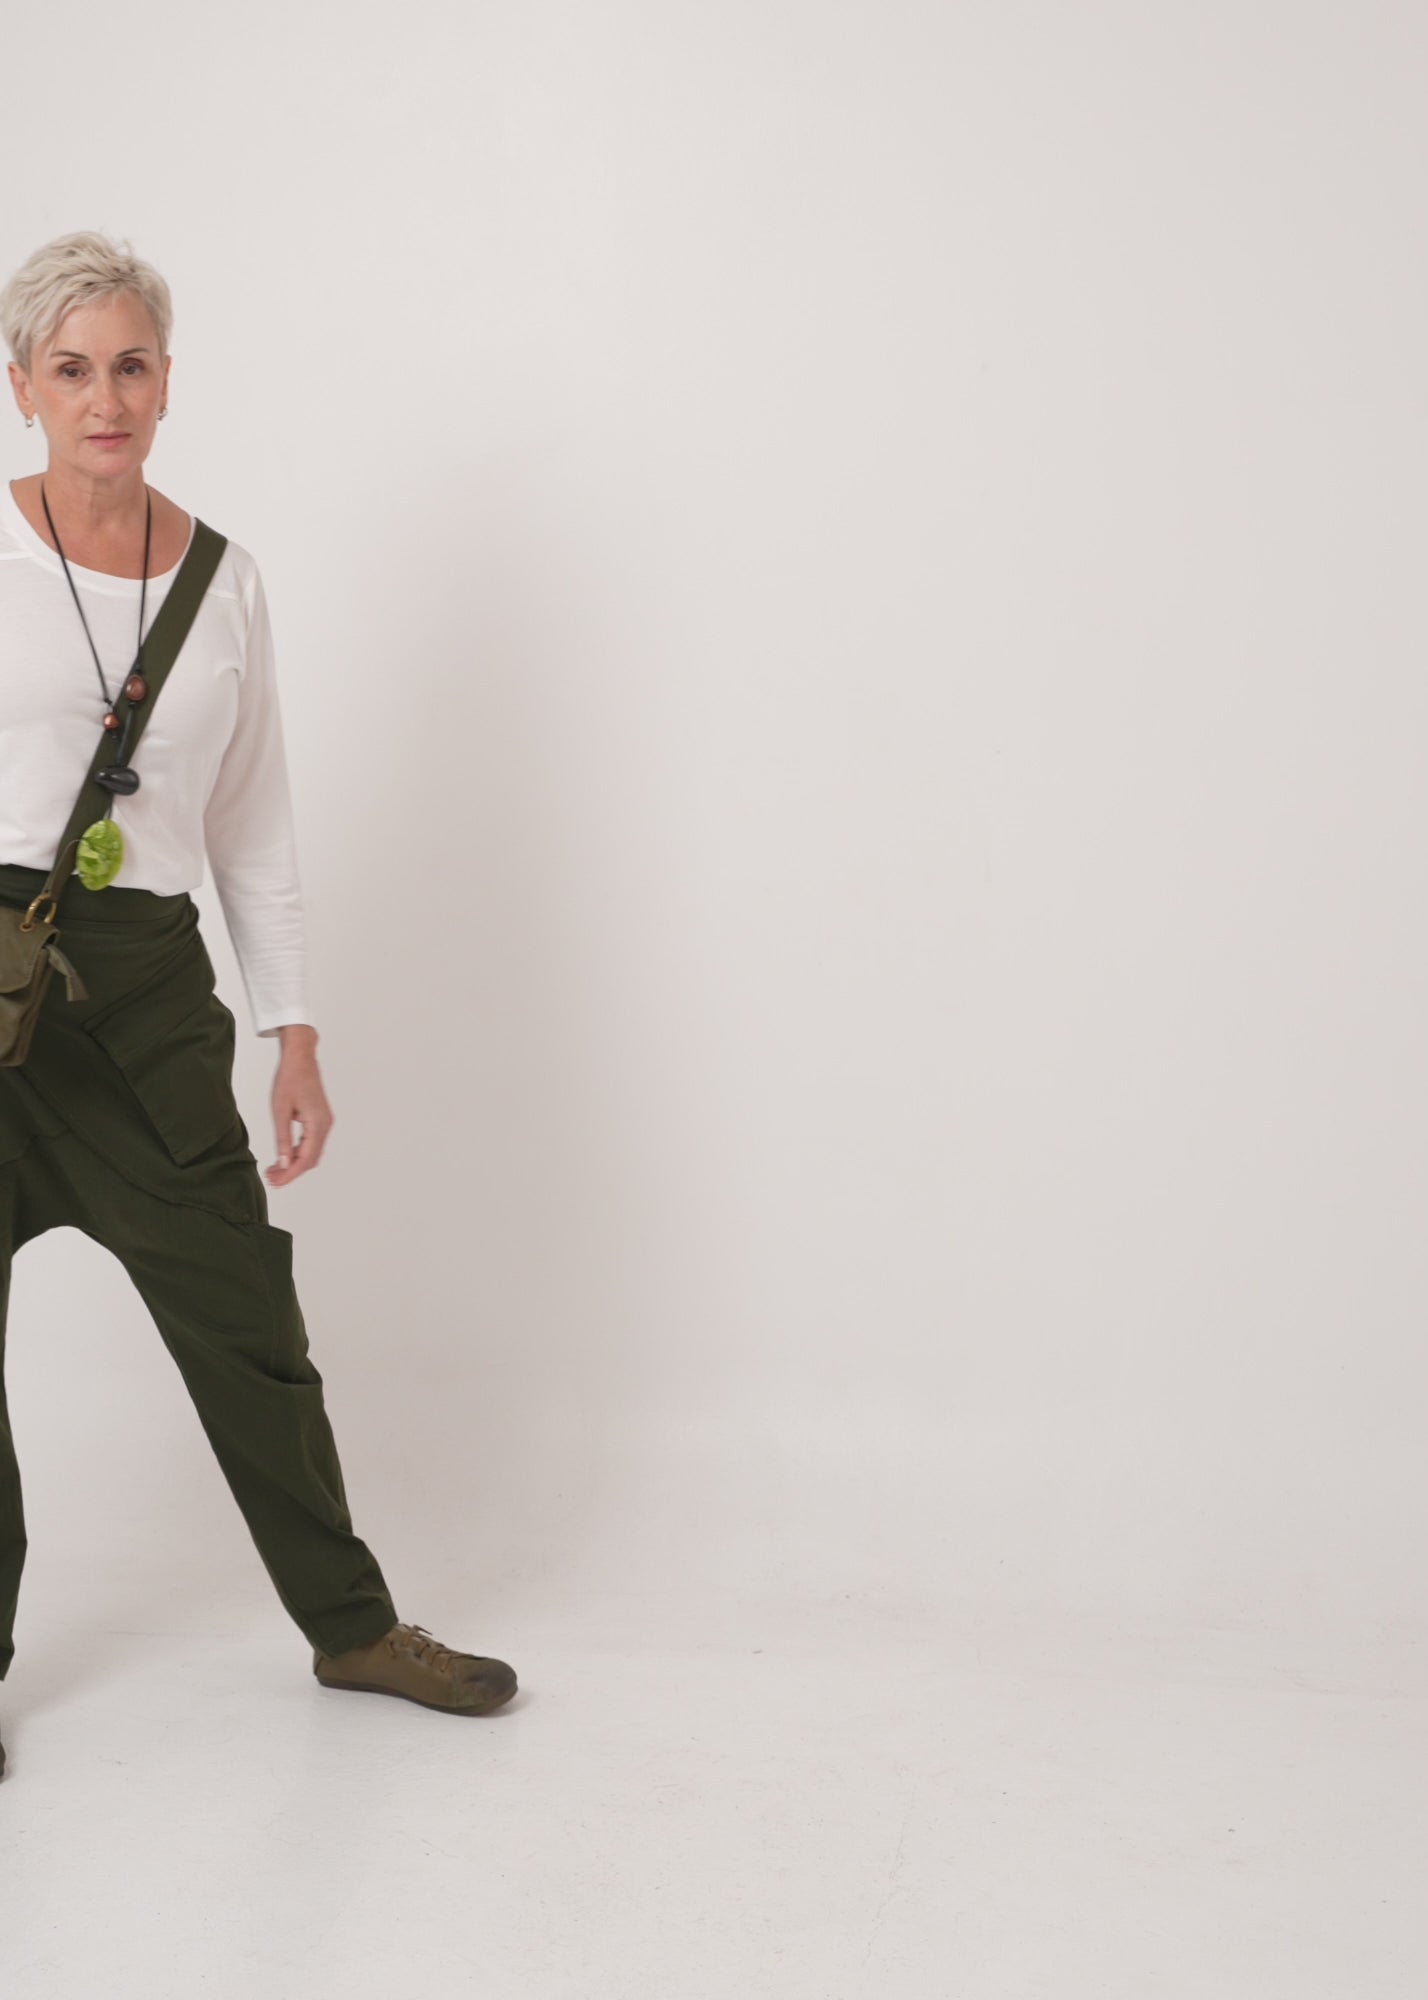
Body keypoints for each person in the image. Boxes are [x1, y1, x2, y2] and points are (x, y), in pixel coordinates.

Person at [0, 230, 517, 1779]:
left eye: (131, 365)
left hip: (148, 1000)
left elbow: (253, 828)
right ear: (22, 387)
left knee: (247, 1319)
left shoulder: (223, 582)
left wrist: (296, 1031)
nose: (105, 399)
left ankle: (350, 1625)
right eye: (72, 369)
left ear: (168, 380)